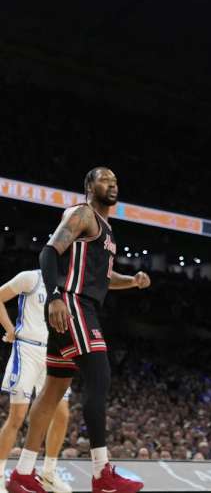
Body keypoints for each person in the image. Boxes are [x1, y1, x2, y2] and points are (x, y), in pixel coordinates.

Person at [6, 167, 151, 493]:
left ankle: (23, 473)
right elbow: (49, 252)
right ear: (89, 186)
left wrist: (133, 281)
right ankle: (102, 474)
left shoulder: (108, 231)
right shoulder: (82, 214)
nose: (111, 184)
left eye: (115, 180)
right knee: (99, 377)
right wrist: (55, 296)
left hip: (78, 305)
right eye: (104, 180)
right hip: (72, 305)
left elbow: (105, 277)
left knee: (54, 390)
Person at [0, 272, 73, 493]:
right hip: (28, 350)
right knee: (17, 417)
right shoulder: (31, 278)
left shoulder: (70, 286)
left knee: (62, 415)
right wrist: (10, 329)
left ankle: (48, 474)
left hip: (56, 353)